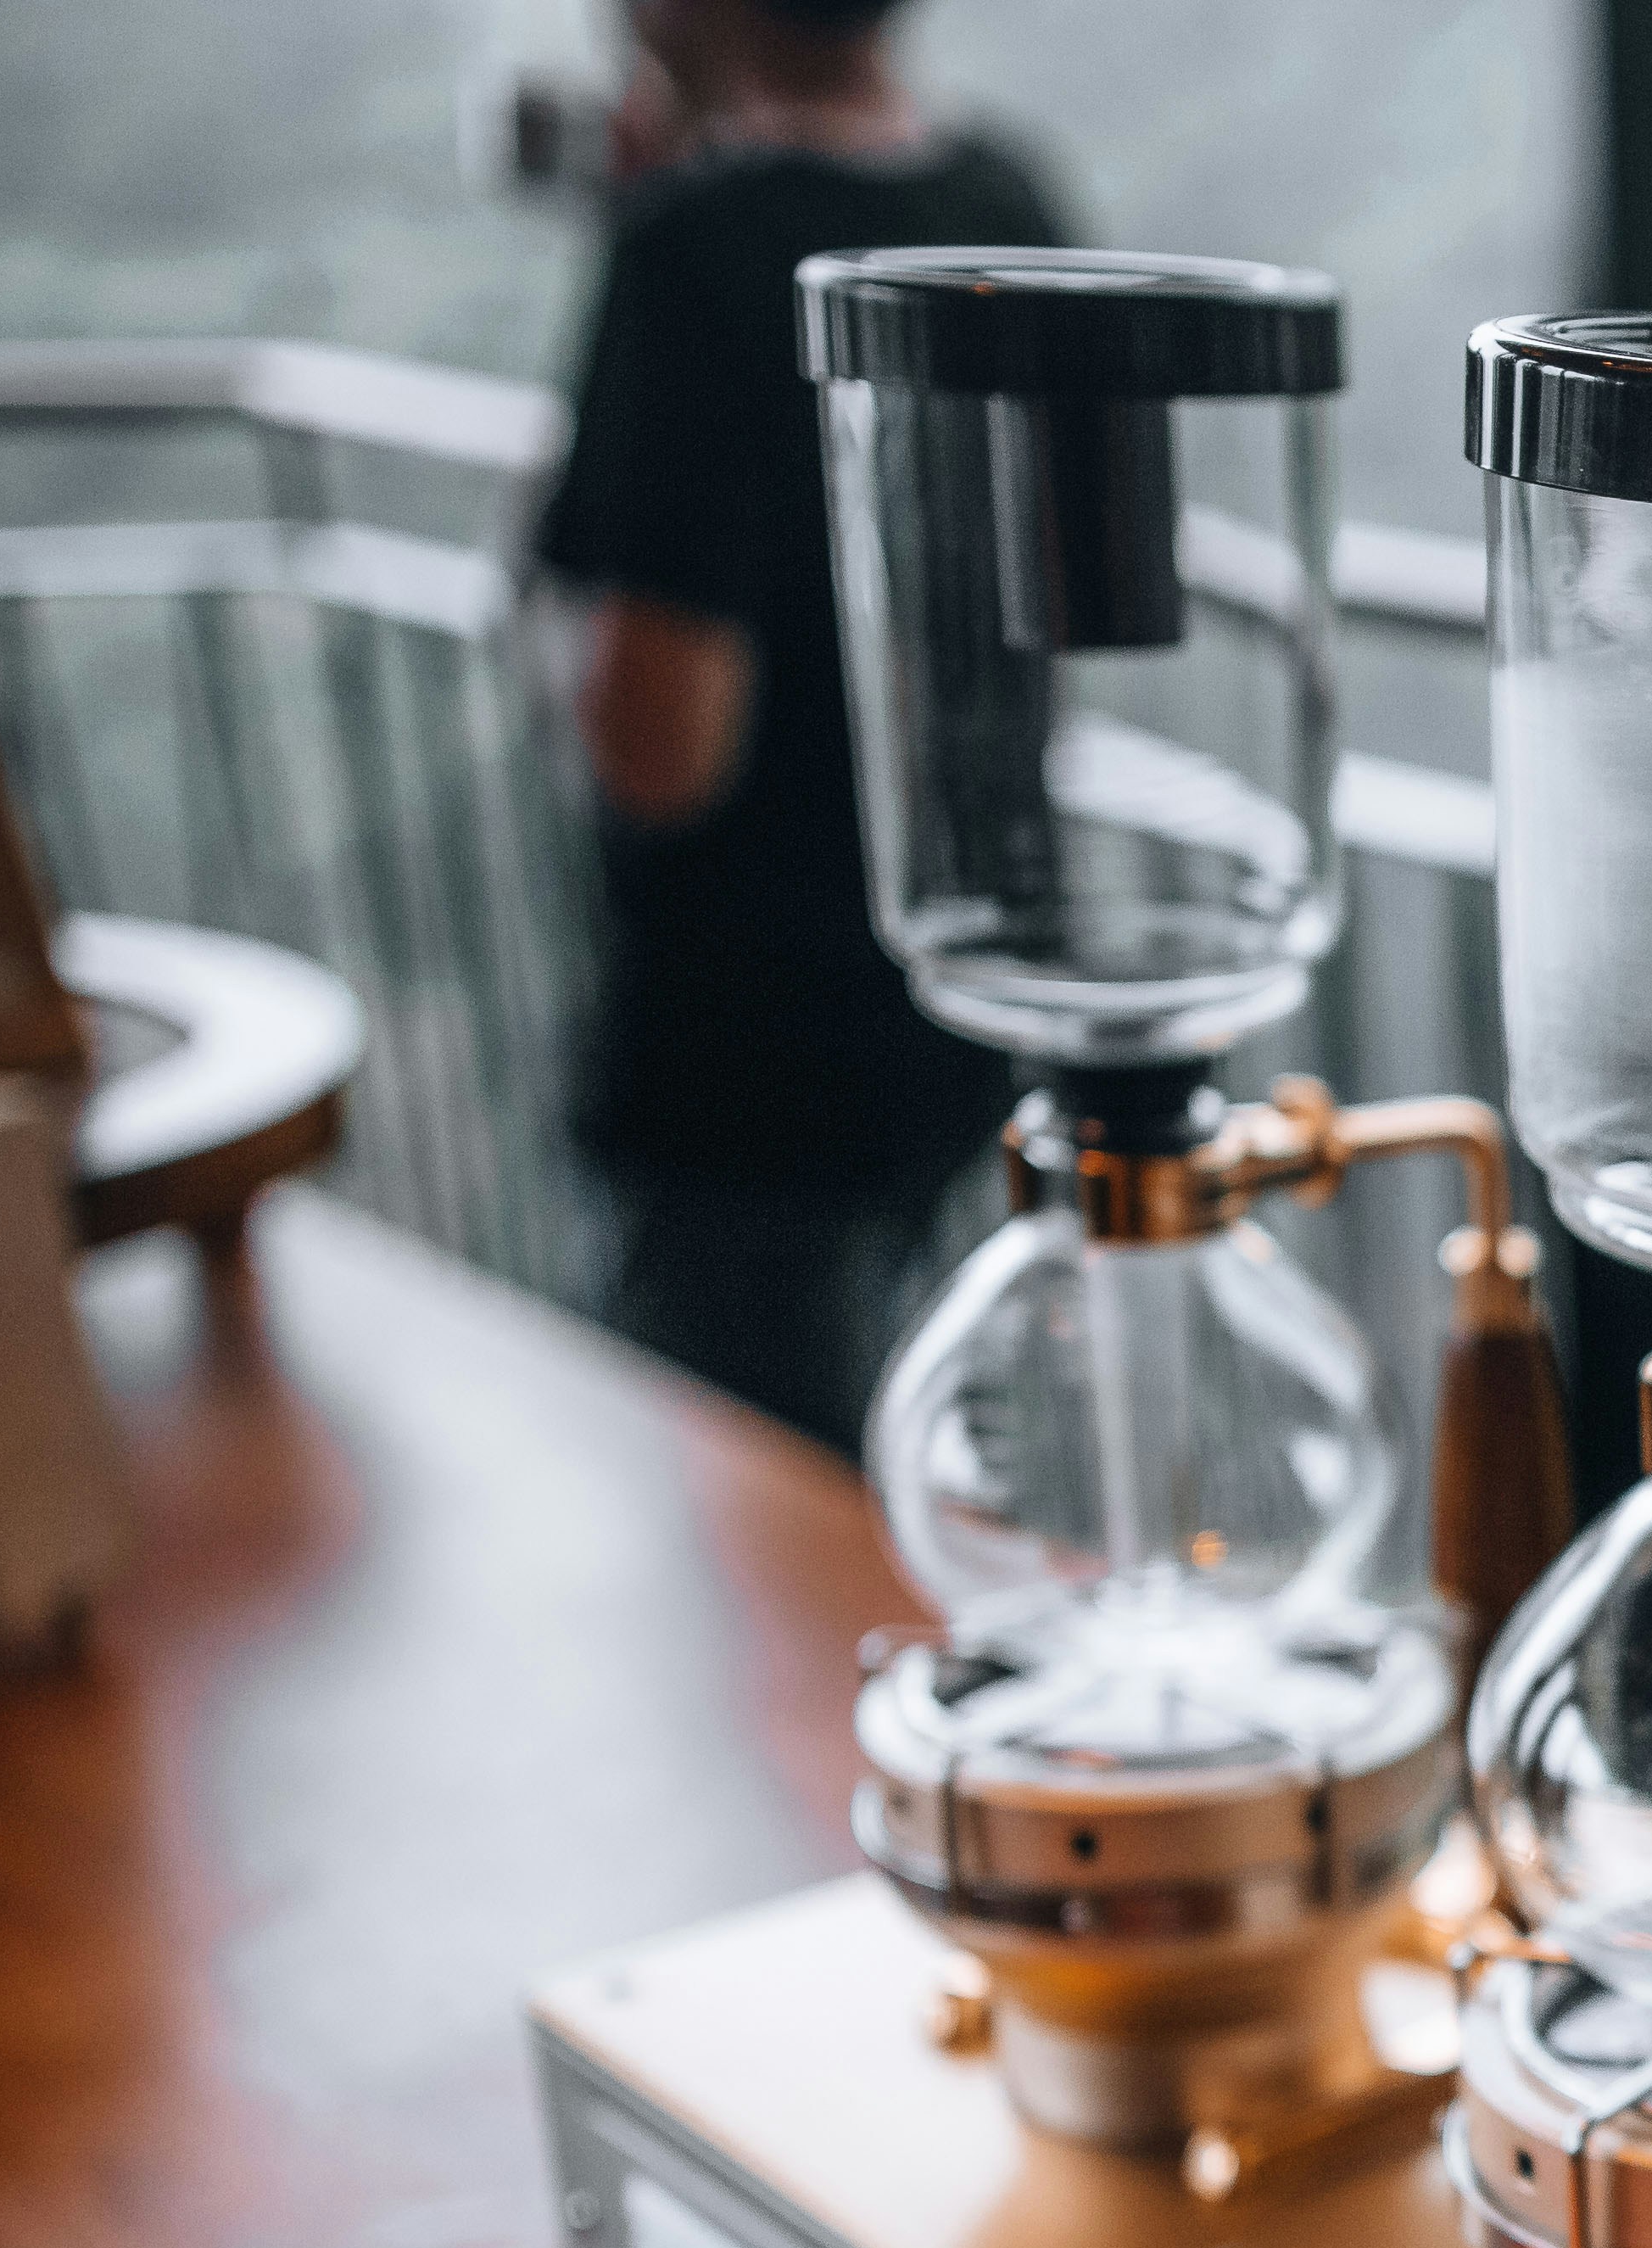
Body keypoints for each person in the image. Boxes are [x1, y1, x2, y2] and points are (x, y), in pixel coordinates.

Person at [533, 0, 1063, 1451]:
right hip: (966, 1022)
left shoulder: (693, 253)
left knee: (749, 1571)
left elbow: (662, 751)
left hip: (742, 1077)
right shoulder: (1008, 203)